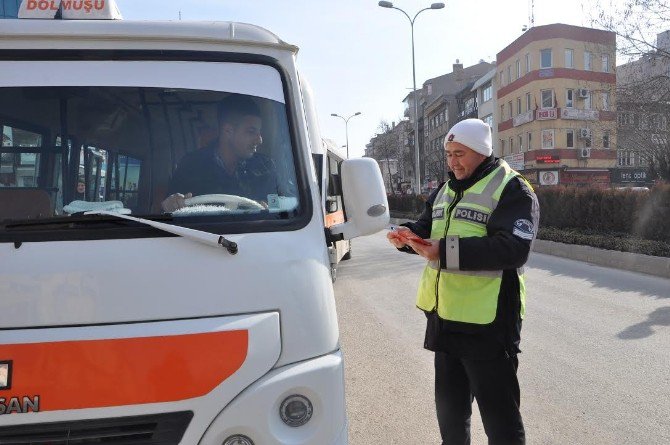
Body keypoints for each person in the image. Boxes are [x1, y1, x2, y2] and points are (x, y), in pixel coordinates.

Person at [387, 118, 539, 445]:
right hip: (446, 320)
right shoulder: (445, 190)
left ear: (482, 153)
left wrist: (444, 251)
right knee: (451, 416)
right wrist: (407, 235)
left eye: (460, 154)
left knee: (501, 422)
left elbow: (513, 249)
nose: (452, 162)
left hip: (489, 325)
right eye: (448, 154)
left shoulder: (511, 188)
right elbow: (428, 229)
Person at [162, 94, 281, 212]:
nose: (259, 140)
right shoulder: (190, 165)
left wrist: (269, 209)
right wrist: (171, 203)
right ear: (228, 130)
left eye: (259, 132)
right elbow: (170, 212)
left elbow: (277, 209)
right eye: (251, 132)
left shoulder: (265, 167)